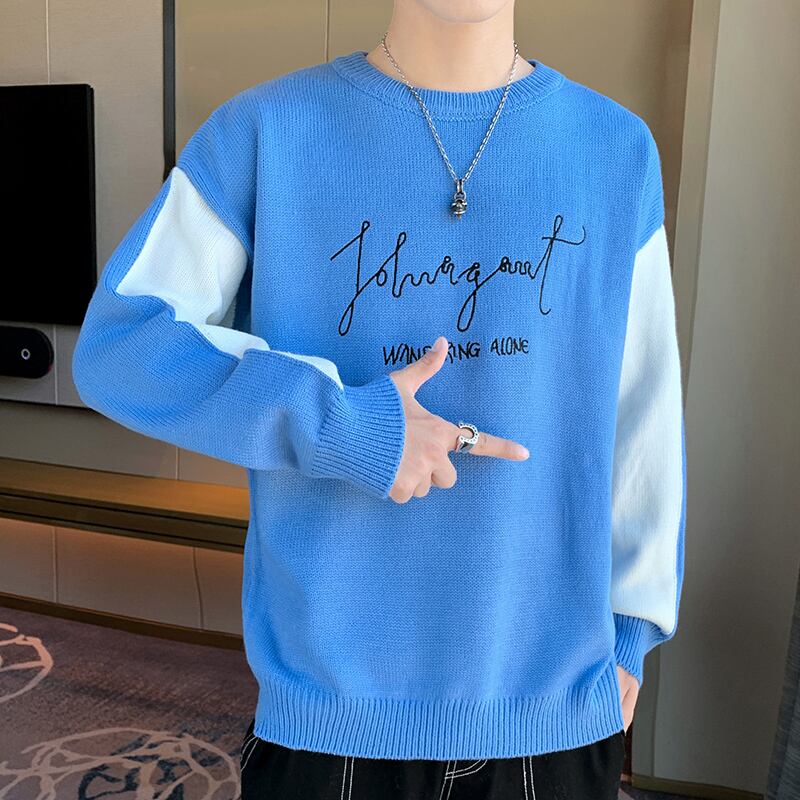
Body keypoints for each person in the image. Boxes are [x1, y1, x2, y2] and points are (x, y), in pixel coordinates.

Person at [71, 0, 687, 797]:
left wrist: (633, 628)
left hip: (555, 710)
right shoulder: (265, 131)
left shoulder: (615, 149)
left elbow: (644, 413)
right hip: (331, 715)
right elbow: (124, 344)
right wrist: (343, 426)